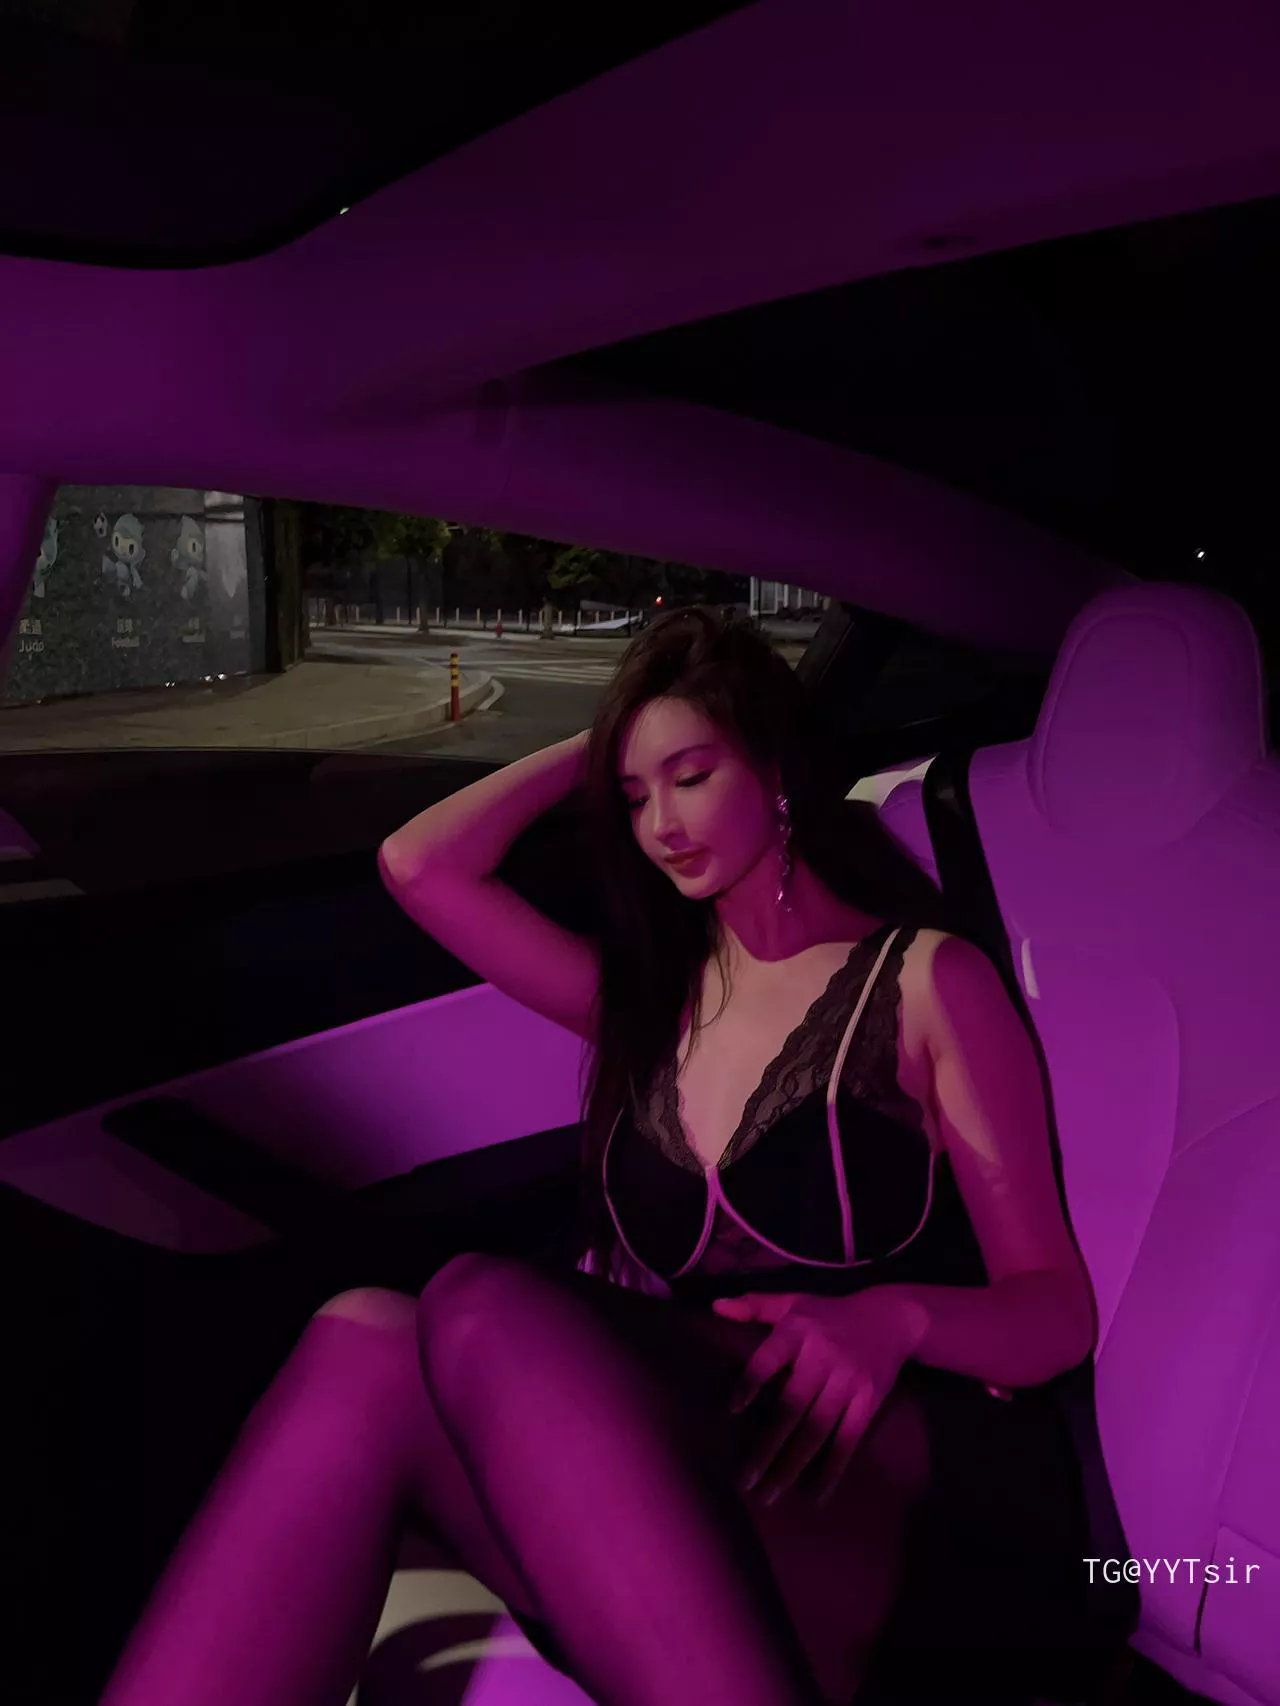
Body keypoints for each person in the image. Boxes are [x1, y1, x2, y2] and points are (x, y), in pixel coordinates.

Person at [99, 607, 1136, 1706]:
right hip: (713, 1460)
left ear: (775, 768)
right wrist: (607, 740)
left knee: (479, 1302)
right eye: (634, 797)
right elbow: (420, 865)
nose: (660, 825)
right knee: (360, 1341)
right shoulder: (649, 1007)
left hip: (906, 1486)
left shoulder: (922, 981)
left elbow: (1053, 1310)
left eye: (691, 776)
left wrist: (894, 1318)